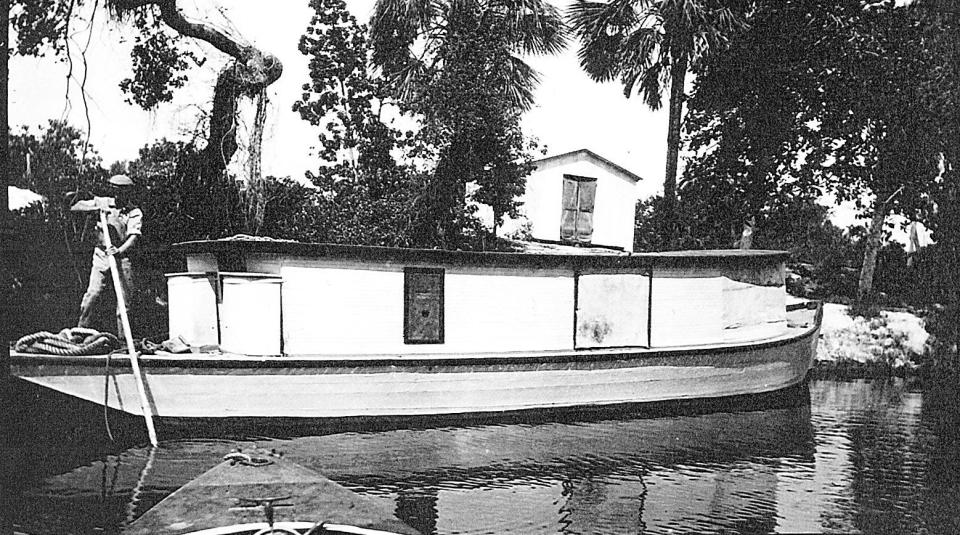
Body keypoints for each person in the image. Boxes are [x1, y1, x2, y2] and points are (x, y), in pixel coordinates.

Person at [70, 174, 143, 333]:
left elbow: (133, 237)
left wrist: (119, 250)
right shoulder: (102, 202)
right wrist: (94, 209)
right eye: (115, 191)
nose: (118, 195)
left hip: (122, 257)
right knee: (93, 293)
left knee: (124, 302)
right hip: (101, 255)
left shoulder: (134, 212)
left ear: (128, 193)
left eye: (122, 192)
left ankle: (124, 340)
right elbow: (75, 206)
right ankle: (80, 332)